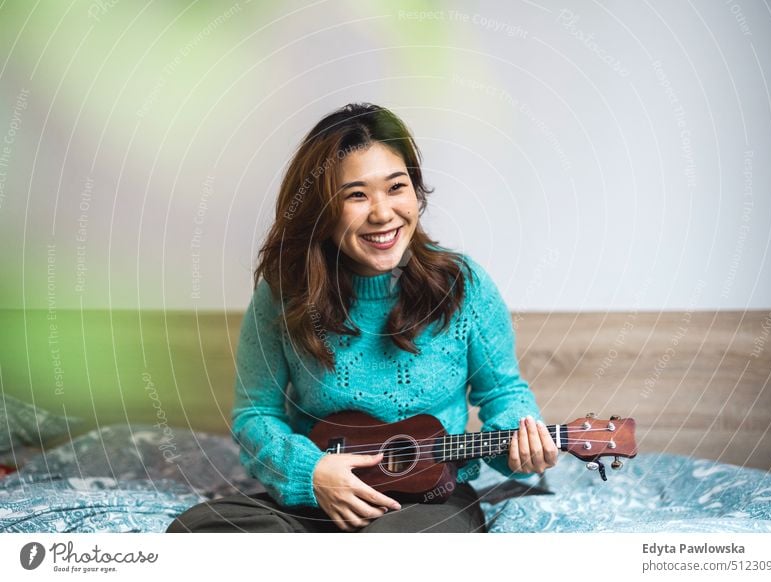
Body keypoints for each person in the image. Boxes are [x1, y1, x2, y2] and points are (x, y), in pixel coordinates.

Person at [166, 103, 558, 533]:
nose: (382, 213)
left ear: (416, 191)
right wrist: (311, 474)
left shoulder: (462, 286)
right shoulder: (284, 293)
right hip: (320, 495)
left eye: (396, 187)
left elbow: (503, 392)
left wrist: (519, 443)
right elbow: (256, 411)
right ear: (323, 210)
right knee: (196, 531)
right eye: (356, 194)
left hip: (429, 501)